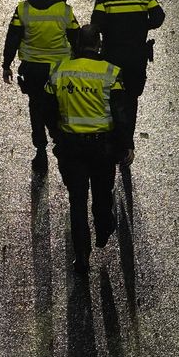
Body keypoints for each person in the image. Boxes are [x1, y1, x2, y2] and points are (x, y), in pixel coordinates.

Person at [43, 29, 134, 275]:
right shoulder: (110, 72)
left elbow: (48, 110)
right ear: (99, 44)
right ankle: (103, 229)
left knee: (77, 201)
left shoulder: (59, 72)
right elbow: (120, 113)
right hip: (103, 148)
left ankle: (82, 257)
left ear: (77, 45)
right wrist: (126, 144)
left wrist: (56, 135)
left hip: (71, 148)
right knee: (102, 194)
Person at [3, 0, 80, 177]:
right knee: (62, 106)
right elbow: (77, 38)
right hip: (60, 70)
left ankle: (41, 151)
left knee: (36, 108)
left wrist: (6, 64)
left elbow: (13, 38)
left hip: (33, 69)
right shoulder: (65, 10)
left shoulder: (23, 9)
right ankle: (62, 144)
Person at [90, 0, 165, 136]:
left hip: (112, 54)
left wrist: (112, 27)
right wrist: (140, 26)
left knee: (110, 96)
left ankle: (113, 135)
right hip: (136, 55)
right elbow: (158, 17)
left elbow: (96, 23)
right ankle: (127, 141)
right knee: (132, 98)